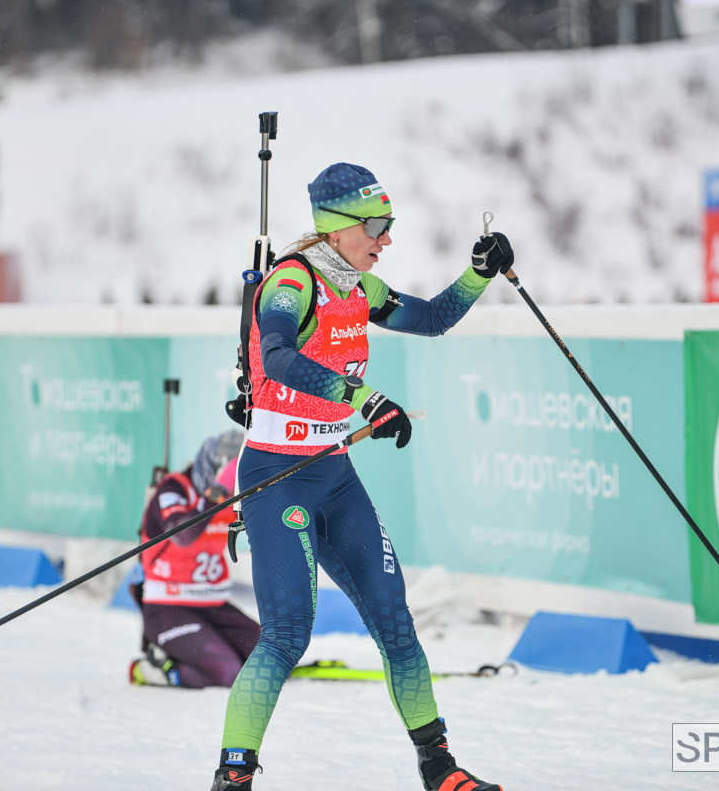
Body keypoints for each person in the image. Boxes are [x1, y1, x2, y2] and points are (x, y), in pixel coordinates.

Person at [209, 163, 514, 790]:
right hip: (278, 477)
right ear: (338, 227)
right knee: (287, 635)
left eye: (389, 224)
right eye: (376, 226)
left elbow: (431, 318)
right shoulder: (291, 283)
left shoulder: (359, 287)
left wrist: (478, 273)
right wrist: (365, 399)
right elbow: (278, 356)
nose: (386, 238)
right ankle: (232, 779)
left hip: (334, 477)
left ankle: (440, 770)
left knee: (395, 621)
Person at [130, 429, 260, 689]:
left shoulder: (233, 495)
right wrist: (216, 493)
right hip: (167, 608)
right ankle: (155, 669)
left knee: (271, 662)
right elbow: (183, 535)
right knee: (228, 674)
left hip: (214, 605)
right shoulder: (174, 488)